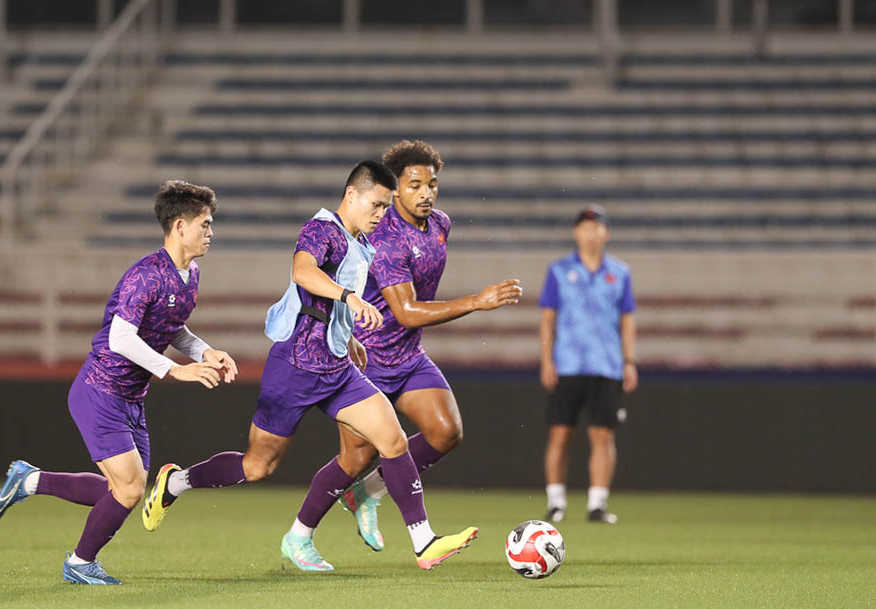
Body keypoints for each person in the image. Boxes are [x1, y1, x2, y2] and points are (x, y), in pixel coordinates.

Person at [141, 160, 478, 571]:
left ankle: (420, 542)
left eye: (386, 207)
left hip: (336, 366)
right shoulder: (321, 229)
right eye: (375, 205)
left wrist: (347, 335)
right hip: (295, 366)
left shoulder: (363, 241)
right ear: (351, 195)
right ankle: (176, 482)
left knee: (393, 439)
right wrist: (349, 299)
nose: (380, 215)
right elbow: (303, 273)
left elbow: (321, 305)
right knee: (257, 466)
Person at [0, 180, 236, 585]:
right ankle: (80, 563)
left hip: (131, 399)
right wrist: (174, 370)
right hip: (100, 391)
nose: (210, 232)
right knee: (128, 489)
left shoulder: (190, 275)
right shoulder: (146, 275)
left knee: (128, 489)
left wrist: (204, 352)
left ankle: (29, 480)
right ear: (179, 226)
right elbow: (122, 338)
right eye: (205, 224)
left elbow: (171, 328)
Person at [288, 140, 522, 559]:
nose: (427, 193)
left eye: (432, 184)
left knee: (446, 431)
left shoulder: (440, 224)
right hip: (368, 357)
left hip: (408, 356)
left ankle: (367, 495)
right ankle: (300, 534)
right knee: (354, 458)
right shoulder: (386, 238)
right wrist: (477, 301)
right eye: (415, 185)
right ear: (394, 190)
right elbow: (408, 311)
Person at [538, 204, 638, 524]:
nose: (590, 233)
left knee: (602, 436)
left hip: (606, 364)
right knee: (560, 434)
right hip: (568, 363)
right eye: (584, 227)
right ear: (576, 232)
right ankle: (556, 501)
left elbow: (627, 320)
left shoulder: (620, 272)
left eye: (596, 227)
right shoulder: (558, 270)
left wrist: (630, 361)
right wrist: (546, 360)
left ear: (606, 233)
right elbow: (547, 319)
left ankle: (597, 503)